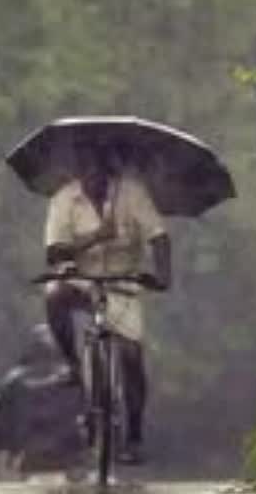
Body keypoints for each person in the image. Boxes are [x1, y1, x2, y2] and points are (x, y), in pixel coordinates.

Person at [43, 138, 172, 465]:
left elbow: (158, 236)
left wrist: (162, 276)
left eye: (101, 169)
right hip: (81, 279)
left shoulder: (132, 193)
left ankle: (134, 436)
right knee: (55, 295)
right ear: (78, 171)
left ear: (111, 168)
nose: (94, 178)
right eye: (87, 170)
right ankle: (73, 365)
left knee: (131, 355)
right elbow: (54, 253)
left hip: (123, 282)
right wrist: (96, 237)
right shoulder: (63, 199)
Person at [0, 325, 87, 481]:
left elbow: (1, 424)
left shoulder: (13, 380)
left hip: (27, 459)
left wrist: (4, 461)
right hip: (68, 459)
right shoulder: (76, 377)